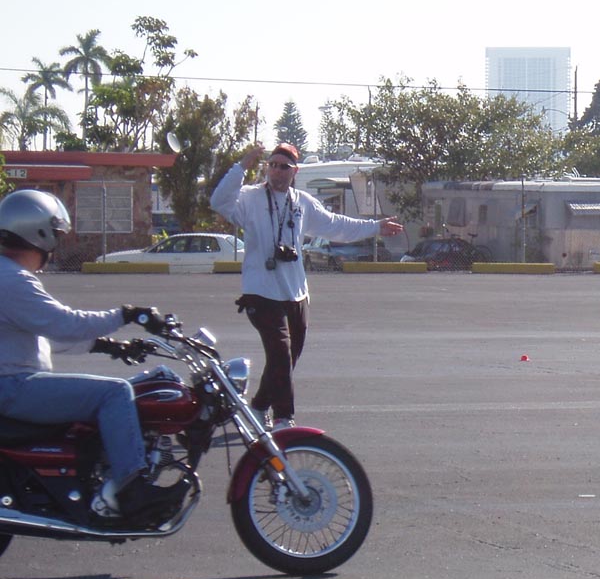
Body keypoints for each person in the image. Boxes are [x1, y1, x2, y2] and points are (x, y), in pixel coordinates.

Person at [0, 189, 183, 526]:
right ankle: (132, 492)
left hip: (14, 382)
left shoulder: (7, 275)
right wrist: (129, 314)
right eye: (55, 235)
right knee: (115, 393)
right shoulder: (12, 280)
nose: (56, 246)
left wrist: (108, 346)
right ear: (37, 234)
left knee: (130, 389)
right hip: (12, 387)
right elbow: (65, 324)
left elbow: (43, 337)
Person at [210, 142, 404, 429]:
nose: (277, 171)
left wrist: (375, 227)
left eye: (284, 167)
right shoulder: (250, 198)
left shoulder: (302, 202)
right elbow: (218, 201)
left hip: (296, 293)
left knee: (287, 358)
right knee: (280, 352)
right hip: (260, 292)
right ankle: (284, 417)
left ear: (295, 172)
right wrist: (241, 166)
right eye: (272, 165)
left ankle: (259, 406)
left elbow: (337, 225)